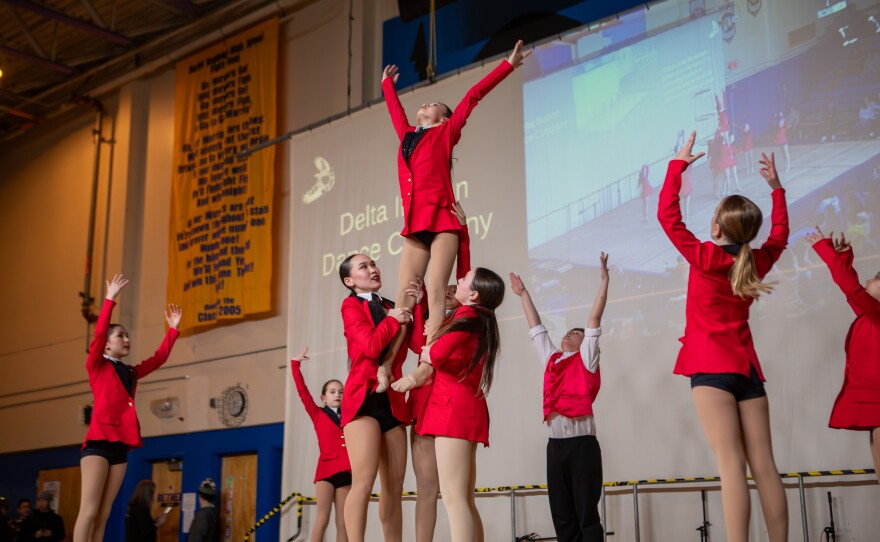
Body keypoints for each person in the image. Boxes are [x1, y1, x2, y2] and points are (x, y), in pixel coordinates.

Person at [658, 132, 790, 542]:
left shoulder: (707, 257)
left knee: (731, 465)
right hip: (747, 371)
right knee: (764, 464)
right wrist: (776, 189)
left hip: (711, 371)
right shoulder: (756, 261)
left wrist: (677, 167)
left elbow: (668, 217)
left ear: (715, 225)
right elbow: (780, 236)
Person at [380, 40, 530, 386]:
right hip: (416, 225)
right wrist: (387, 85)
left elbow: (473, 96)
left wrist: (506, 66)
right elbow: (395, 113)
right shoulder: (407, 136)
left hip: (443, 221)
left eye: (436, 105)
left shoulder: (447, 132)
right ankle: (388, 364)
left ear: (445, 119)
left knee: (435, 290)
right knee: (404, 293)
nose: (427, 104)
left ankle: (425, 362)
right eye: (426, 103)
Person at [398, 267, 505, 542]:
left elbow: (438, 352)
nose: (458, 280)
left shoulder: (468, 316)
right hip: (465, 408)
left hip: (452, 410)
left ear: (475, 293)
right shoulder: (480, 318)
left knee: (454, 499)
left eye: (465, 279)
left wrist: (430, 347)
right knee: (464, 500)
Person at [509, 252, 610, 542]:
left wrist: (603, 281)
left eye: (576, 333)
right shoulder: (552, 358)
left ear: (586, 343)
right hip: (555, 446)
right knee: (562, 516)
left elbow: (594, 318)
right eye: (568, 330)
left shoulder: (587, 360)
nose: (570, 333)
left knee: (586, 515)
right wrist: (523, 293)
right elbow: (536, 328)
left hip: (582, 446)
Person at [73, 274, 182, 542]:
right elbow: (98, 333)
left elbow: (157, 360)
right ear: (108, 344)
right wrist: (110, 299)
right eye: (120, 335)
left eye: (127, 335)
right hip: (98, 443)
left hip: (120, 446)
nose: (126, 339)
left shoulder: (131, 372)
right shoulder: (97, 365)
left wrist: (173, 330)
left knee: (105, 512)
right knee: (88, 509)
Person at [337, 255, 421, 542]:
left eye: (373, 264)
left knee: (394, 487)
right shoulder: (350, 305)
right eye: (364, 267)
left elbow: (419, 343)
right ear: (350, 281)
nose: (373, 269)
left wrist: (416, 305)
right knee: (363, 482)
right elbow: (371, 346)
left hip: (393, 399)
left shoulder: (390, 306)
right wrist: (391, 319)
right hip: (363, 399)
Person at [806, 229, 880, 481]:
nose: (869, 280)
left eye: (875, 278)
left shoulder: (877, 315)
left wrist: (826, 251)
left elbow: (852, 290)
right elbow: (853, 289)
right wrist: (843, 257)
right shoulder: (869, 315)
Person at [291, 348, 351, 542]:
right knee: (322, 518)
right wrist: (295, 365)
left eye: (341, 392)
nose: (338, 395)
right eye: (333, 392)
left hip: (346, 471)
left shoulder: (351, 416)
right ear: (323, 397)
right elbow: (302, 392)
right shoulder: (318, 414)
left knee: (343, 522)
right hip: (325, 471)